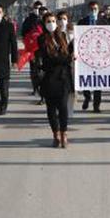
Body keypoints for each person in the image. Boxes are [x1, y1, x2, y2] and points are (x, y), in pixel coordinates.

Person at [37, 12, 75, 148]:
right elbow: (49, 59)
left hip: (63, 78)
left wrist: (76, 44)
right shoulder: (42, 39)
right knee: (51, 109)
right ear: (44, 24)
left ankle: (64, 134)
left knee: (63, 107)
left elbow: (68, 52)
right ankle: (56, 134)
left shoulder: (62, 36)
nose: (52, 24)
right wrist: (67, 58)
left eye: (53, 21)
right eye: (48, 21)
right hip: (50, 78)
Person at [78, 1, 108, 113]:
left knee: (97, 82)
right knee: (86, 79)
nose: (93, 11)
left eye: (95, 9)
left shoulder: (104, 22)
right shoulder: (82, 22)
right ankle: (87, 96)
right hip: (86, 55)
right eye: (91, 9)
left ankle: (96, 105)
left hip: (100, 56)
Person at [21, 1, 44, 96]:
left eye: (39, 8)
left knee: (43, 70)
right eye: (36, 8)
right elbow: (23, 33)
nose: (37, 10)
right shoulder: (29, 20)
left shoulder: (46, 19)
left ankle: (42, 90)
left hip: (43, 49)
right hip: (32, 49)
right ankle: (35, 87)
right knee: (34, 70)